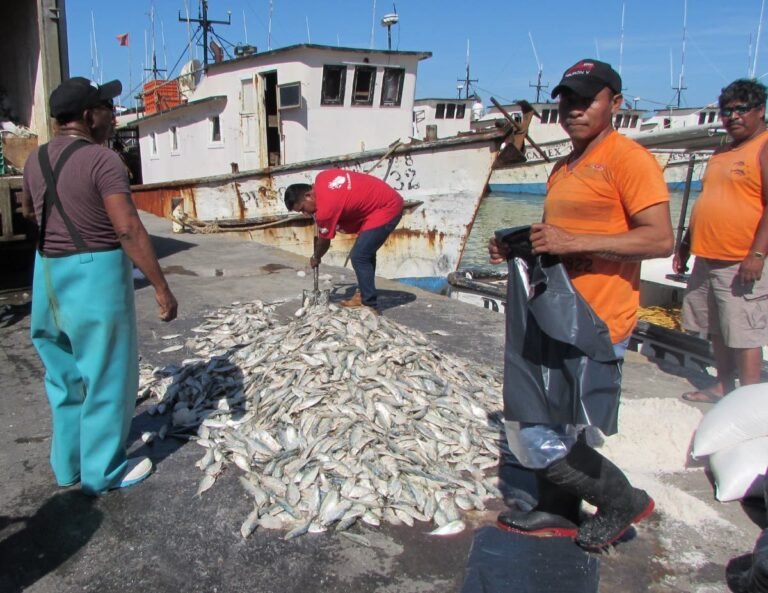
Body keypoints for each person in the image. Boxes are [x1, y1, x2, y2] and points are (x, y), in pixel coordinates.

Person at [488, 59, 674, 549]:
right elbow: (562, 237)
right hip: (558, 310)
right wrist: (518, 244)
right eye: (567, 99)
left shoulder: (628, 158)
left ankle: (623, 500)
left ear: (615, 102)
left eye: (587, 98)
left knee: (539, 429)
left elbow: (659, 241)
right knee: (550, 413)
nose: (573, 108)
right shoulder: (563, 165)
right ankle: (559, 509)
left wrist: (572, 242)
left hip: (596, 316)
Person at [21, 77, 178, 495]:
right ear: (89, 117)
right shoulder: (102, 161)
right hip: (94, 272)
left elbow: (29, 212)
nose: (113, 116)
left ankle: (67, 466)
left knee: (63, 376)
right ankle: (103, 472)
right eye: (108, 108)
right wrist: (161, 286)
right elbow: (127, 229)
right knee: (108, 375)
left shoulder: (34, 160)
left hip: (47, 273)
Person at [674, 79, 768, 404]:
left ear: (760, 110)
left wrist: (757, 254)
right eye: (726, 110)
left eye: (741, 109)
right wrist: (684, 245)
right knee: (715, 327)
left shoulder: (764, 146)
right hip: (707, 255)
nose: (733, 116)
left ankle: (748, 402)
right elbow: (707, 199)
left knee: (744, 333)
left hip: (741, 259)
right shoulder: (722, 151)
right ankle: (724, 385)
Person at [284, 169, 404, 311]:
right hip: (379, 201)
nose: (305, 214)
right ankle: (363, 293)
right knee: (366, 253)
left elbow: (325, 241)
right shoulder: (322, 177)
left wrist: (316, 256)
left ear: (308, 195)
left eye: (303, 208)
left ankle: (370, 306)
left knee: (359, 256)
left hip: (386, 208)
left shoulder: (325, 211)